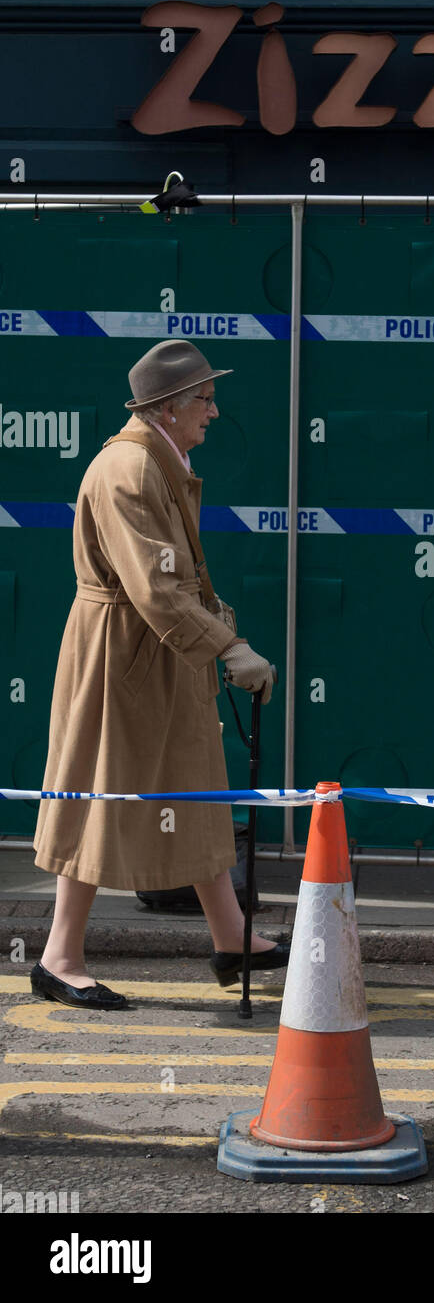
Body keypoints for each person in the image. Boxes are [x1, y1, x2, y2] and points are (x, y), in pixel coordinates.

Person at [30, 339, 285, 1010]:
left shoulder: (150, 460)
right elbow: (155, 585)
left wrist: (218, 640)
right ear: (168, 409)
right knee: (97, 792)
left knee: (192, 783)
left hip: (150, 652)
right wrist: (228, 647)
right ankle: (58, 957)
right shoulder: (129, 470)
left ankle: (231, 934)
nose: (214, 410)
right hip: (123, 656)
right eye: (203, 398)